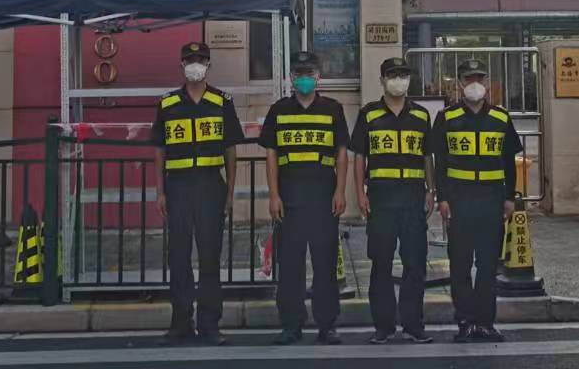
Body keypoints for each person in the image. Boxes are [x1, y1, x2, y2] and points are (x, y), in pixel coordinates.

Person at [150, 41, 242, 345]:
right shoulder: (167, 103)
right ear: (181, 64)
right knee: (178, 257)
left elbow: (231, 149)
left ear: (208, 64)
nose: (195, 65)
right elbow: (159, 149)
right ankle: (181, 322)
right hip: (177, 187)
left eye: (201, 59)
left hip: (210, 186)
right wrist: (160, 191)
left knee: (209, 257)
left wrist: (230, 192)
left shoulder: (222, 101)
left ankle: (209, 324)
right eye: (190, 60)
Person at [260, 51, 348, 345]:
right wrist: (274, 195)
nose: (304, 78)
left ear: (318, 76)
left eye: (309, 73)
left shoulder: (333, 109)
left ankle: (327, 325)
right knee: (290, 266)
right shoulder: (279, 110)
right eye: (299, 74)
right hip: (289, 200)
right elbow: (271, 155)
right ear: (291, 78)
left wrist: (340, 191)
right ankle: (291, 325)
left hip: (324, 198)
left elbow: (342, 154)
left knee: (325, 265)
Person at [430, 58, 518, 343]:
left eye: (480, 78)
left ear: (487, 82)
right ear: (459, 84)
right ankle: (465, 321)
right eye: (469, 79)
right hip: (460, 201)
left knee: (488, 265)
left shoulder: (501, 118)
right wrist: (442, 198)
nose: (475, 84)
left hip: (491, 200)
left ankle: (485, 322)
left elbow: (509, 161)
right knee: (460, 264)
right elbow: (440, 162)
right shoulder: (447, 118)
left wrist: (510, 197)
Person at [350, 57, 434, 344]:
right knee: (381, 264)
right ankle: (383, 326)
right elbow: (359, 156)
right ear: (382, 80)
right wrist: (359, 193)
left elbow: (427, 156)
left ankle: (413, 325)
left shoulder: (421, 115)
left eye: (403, 74)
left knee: (415, 263)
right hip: (381, 199)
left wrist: (431, 190)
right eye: (393, 75)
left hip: (412, 198)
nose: (399, 80)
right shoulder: (369, 114)